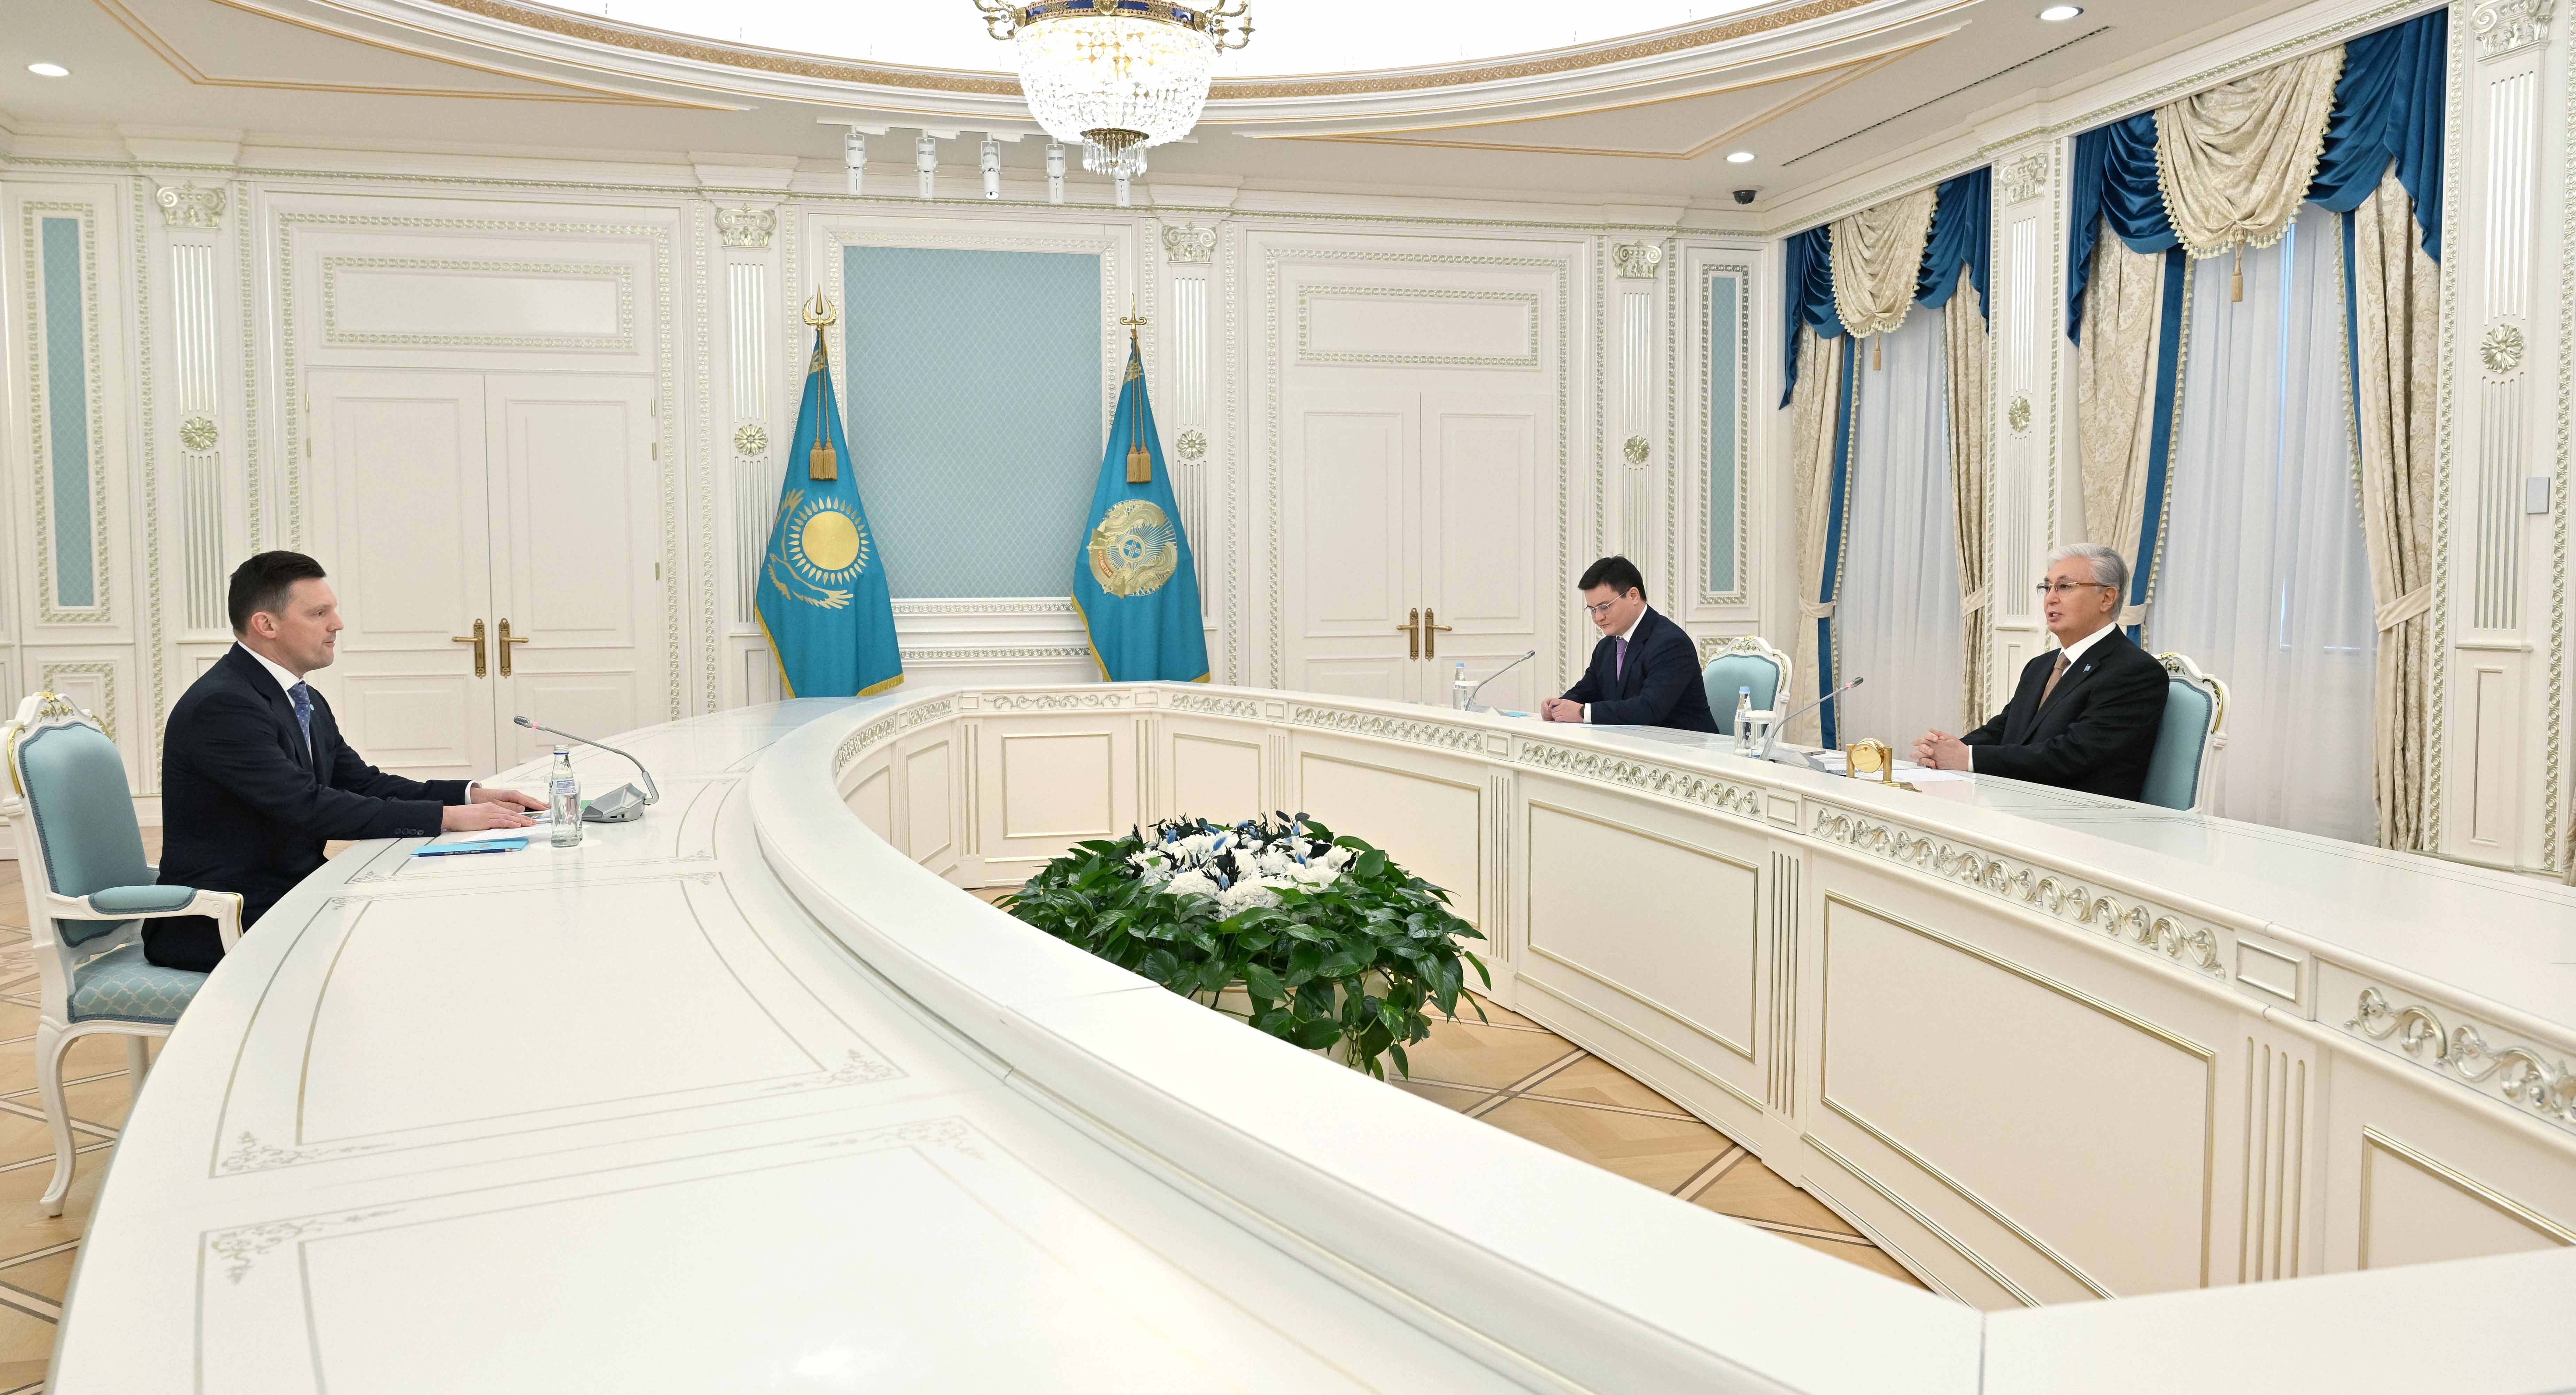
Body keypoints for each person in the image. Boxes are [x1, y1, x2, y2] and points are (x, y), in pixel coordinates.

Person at [150, 553, 543, 970]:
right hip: (229, 919)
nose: (336, 624)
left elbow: (361, 783)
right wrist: (447, 817)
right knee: (424, 946)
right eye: (319, 613)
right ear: (266, 624)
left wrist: (469, 796)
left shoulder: (301, 697)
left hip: (291, 896)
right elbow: (308, 806)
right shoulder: (223, 705)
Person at [1913, 542, 2169, 800]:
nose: (2050, 598)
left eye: (2064, 587)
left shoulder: (2135, 672)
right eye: (2047, 588)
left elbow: (2072, 755)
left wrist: (1968, 758)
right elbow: (2004, 730)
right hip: (2017, 801)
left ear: (2107, 598)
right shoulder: (2041, 666)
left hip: (2079, 813)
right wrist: (1945, 751)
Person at [1541, 556, 1720, 734]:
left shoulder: (1671, 643)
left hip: (1688, 746)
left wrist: (1582, 713)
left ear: (1633, 596)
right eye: (1593, 610)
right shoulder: (1606, 647)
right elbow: (1587, 691)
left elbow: (1650, 708)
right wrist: (1557, 706)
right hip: (1634, 743)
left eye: (1604, 607)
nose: (1598, 618)